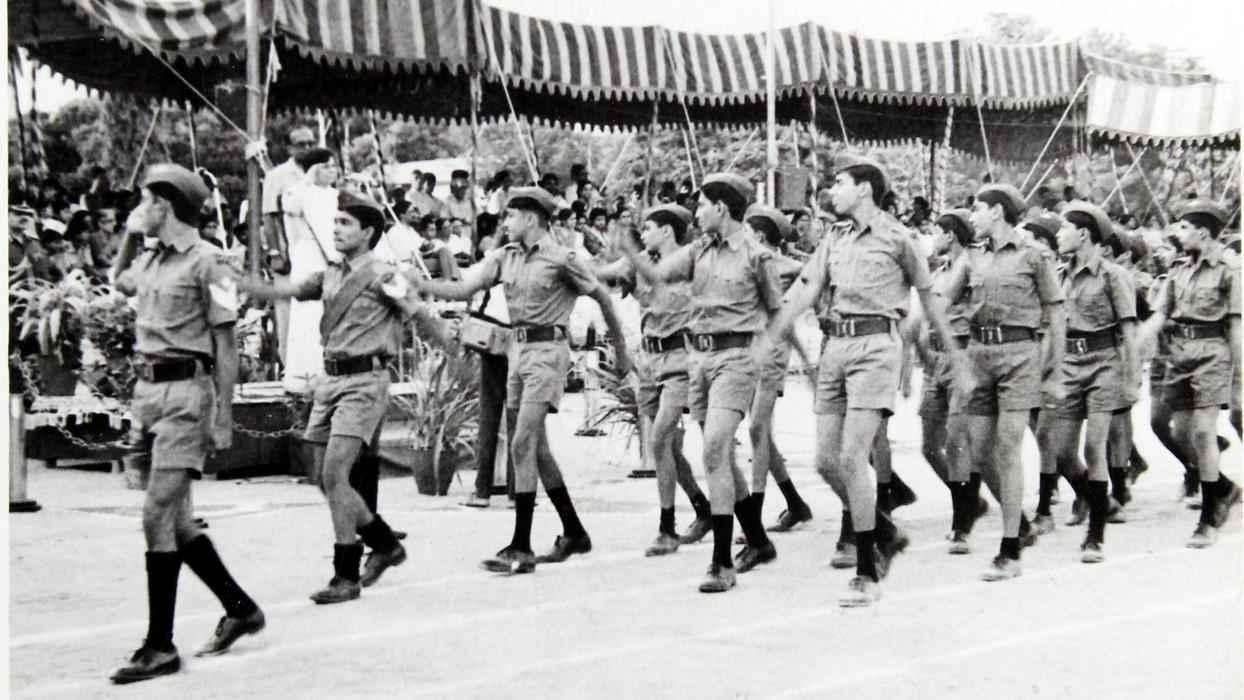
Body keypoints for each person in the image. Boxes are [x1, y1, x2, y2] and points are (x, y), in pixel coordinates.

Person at [769, 156, 963, 607]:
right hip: (836, 347)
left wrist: (937, 355)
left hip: (876, 346)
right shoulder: (834, 238)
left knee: (853, 456)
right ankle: (885, 531)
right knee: (825, 461)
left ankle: (867, 571)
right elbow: (807, 286)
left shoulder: (899, 238)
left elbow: (929, 299)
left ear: (864, 189)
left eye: (840, 183)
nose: (831, 191)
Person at [412, 187, 632, 574]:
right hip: (517, 351)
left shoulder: (562, 258)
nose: (506, 222)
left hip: (548, 351)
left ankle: (521, 544)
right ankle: (574, 532)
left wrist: (621, 352)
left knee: (522, 441)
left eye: (512, 216)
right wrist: (420, 283)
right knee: (537, 449)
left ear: (531, 218)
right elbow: (464, 288)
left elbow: (603, 299)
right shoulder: (505, 256)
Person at [107, 164, 264, 683]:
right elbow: (119, 281)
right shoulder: (153, 257)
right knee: (176, 522)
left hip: (185, 396)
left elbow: (226, 344)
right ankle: (240, 608)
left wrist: (224, 413)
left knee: (156, 513)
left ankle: (160, 646)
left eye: (145, 202)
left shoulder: (210, 263)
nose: (139, 210)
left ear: (165, 206)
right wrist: (130, 236)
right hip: (149, 393)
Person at [240, 191, 422, 603]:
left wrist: (452, 347)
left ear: (368, 232)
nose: (336, 229)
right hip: (331, 380)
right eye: (335, 222)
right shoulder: (331, 274)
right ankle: (384, 543)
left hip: (364, 380)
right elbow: (286, 289)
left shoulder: (383, 275)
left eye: (345, 223)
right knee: (322, 475)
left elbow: (418, 312)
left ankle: (346, 575)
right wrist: (240, 280)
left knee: (336, 474)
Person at [624, 173, 784, 593]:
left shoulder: (756, 256)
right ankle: (759, 541)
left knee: (714, 447)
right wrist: (623, 247)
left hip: (736, 358)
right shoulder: (698, 251)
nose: (696, 213)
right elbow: (657, 274)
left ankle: (721, 561)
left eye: (701, 205)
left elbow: (777, 311)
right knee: (721, 458)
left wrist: (761, 353)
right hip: (699, 361)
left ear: (721, 208)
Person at [939, 183, 1066, 582]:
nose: (972, 216)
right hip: (979, 355)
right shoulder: (971, 257)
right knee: (980, 453)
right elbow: (940, 303)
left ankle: (1009, 549)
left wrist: (1055, 369)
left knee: (1008, 447)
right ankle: (1021, 525)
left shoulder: (1034, 255)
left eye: (977, 208)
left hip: (1020, 355)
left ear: (997, 211)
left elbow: (1056, 313)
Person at [593, 204, 714, 555]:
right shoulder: (638, 262)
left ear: (667, 230)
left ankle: (667, 528)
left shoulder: (691, 263)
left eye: (648, 228)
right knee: (668, 447)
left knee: (660, 438)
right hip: (649, 360)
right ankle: (702, 508)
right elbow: (603, 273)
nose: (643, 234)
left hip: (681, 357)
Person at [1035, 202, 1138, 563]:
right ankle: (1101, 502)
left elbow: (1128, 330)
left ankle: (1095, 536)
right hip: (1067, 364)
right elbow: (1052, 329)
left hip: (1104, 364)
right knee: (1062, 452)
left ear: (1083, 234)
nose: (1058, 235)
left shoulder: (1113, 275)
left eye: (1064, 228)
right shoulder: (1059, 275)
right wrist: (1045, 372)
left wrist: (1133, 377)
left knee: (1095, 447)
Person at [1143, 200, 1242, 548]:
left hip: (1213, 353)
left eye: (1184, 227)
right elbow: (1159, 315)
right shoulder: (1178, 270)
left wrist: (1240, 378)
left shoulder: (1228, 271)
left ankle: (1209, 515)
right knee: (1181, 432)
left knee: (1202, 431)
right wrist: (1137, 344)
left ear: (1203, 232)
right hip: (1179, 355)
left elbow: (1236, 326)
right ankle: (1224, 487)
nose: (1178, 232)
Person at [907, 209, 990, 552]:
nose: (934, 238)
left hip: (962, 354)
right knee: (930, 445)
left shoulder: (970, 266)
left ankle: (962, 523)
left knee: (958, 441)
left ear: (951, 234)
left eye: (939, 232)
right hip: (936, 359)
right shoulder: (940, 271)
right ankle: (971, 501)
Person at [741, 205, 814, 533]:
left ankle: (754, 515)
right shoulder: (749, 263)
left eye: (747, 231)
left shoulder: (785, 265)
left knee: (757, 428)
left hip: (772, 353)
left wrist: (805, 358)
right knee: (761, 434)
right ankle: (795, 503)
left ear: (759, 235)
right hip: (748, 350)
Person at [262, 126, 317, 364]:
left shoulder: (319, 172)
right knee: (288, 313)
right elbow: (269, 216)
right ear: (289, 148)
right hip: (288, 253)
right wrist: (276, 252)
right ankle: (289, 367)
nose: (307, 148)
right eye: (301, 144)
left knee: (313, 312)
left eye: (311, 143)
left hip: (315, 254)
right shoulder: (278, 175)